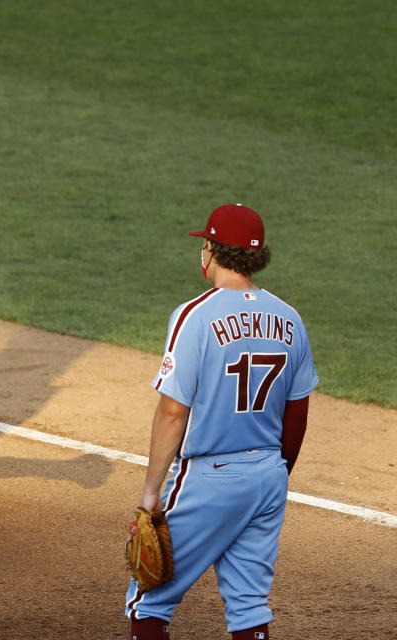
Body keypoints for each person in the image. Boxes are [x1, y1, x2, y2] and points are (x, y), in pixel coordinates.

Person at [124, 204, 318, 639]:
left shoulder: (194, 316)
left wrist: (151, 492)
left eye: (205, 244)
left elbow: (173, 411)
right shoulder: (290, 318)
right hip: (268, 475)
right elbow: (298, 410)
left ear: (213, 250)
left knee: (148, 598)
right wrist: (276, 473)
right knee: (249, 604)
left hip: (208, 478)